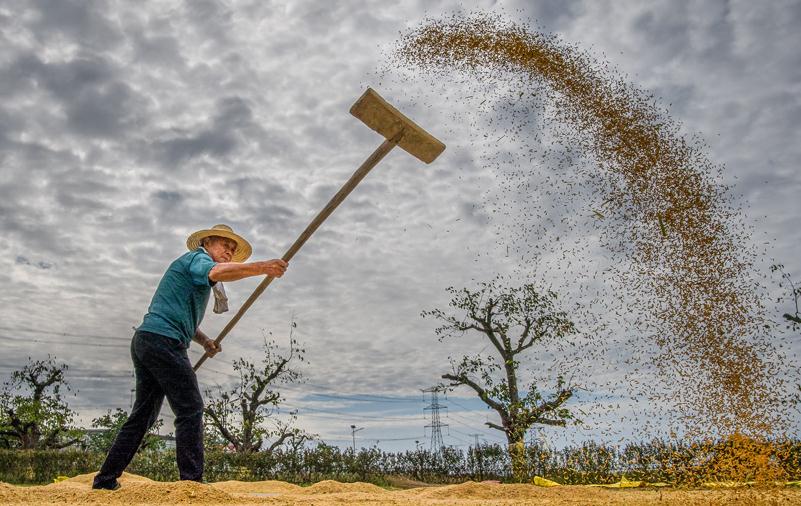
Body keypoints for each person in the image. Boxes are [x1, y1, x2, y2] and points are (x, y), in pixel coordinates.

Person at [92, 224, 287, 490]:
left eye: (232, 249)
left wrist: (205, 340)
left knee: (143, 416)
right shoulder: (199, 260)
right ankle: (191, 484)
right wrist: (261, 267)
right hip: (164, 341)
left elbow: (183, 318)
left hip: (148, 339)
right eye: (224, 245)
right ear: (207, 242)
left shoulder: (194, 273)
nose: (229, 252)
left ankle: (105, 480)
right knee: (190, 408)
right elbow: (216, 272)